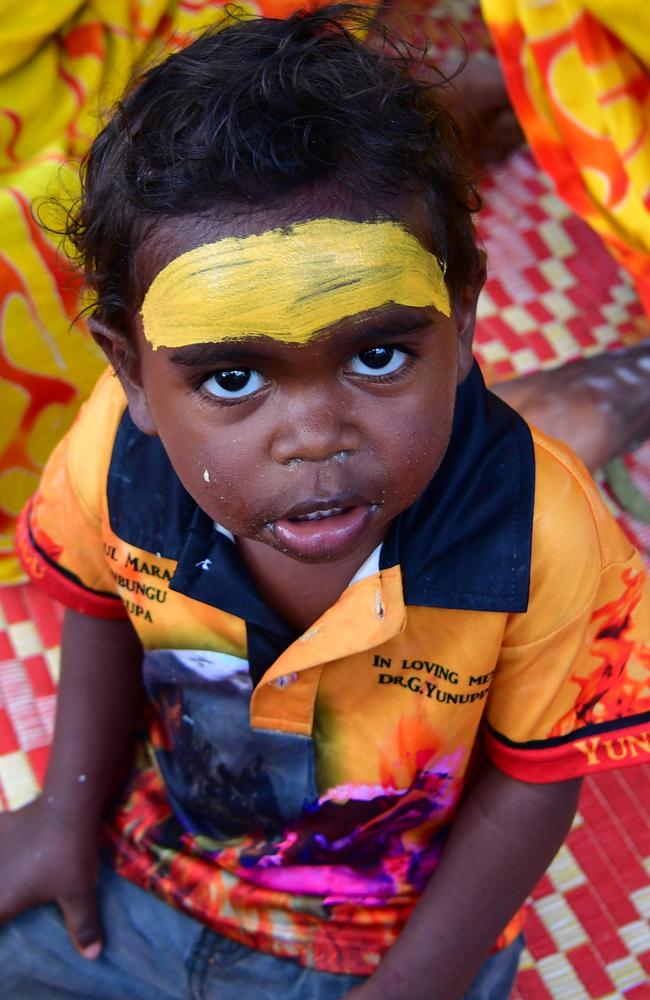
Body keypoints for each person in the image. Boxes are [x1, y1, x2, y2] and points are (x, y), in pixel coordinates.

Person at [1, 6, 649, 998]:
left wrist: (413, 983)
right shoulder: (115, 446)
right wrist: (62, 814)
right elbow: (95, 598)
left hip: (389, 939)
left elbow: (532, 776)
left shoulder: (544, 536)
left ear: (463, 311)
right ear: (130, 371)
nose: (312, 436)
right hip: (143, 871)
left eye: (377, 353)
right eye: (230, 378)